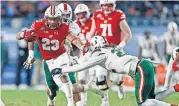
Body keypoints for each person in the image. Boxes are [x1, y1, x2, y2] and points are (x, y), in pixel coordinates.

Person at [59, 36, 179, 106]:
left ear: (95, 45)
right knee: (153, 100)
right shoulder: (110, 49)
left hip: (140, 68)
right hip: (144, 65)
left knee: (143, 103)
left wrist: (63, 69)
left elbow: (83, 66)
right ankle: (176, 87)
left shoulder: (99, 53)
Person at [16, 6, 88, 106]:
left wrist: (82, 47)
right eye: (51, 19)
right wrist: (29, 53)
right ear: (46, 18)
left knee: (63, 77)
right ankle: (51, 99)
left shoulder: (65, 26)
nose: (53, 21)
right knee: (52, 89)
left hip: (62, 56)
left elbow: (74, 39)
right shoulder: (38, 25)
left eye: (56, 18)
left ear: (60, 18)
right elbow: (29, 38)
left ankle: (71, 102)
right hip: (47, 60)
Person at [86, 0, 133, 99]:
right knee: (100, 78)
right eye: (105, 5)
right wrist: (91, 44)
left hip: (114, 49)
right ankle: (105, 101)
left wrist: (119, 47)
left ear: (114, 5)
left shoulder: (118, 15)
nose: (107, 8)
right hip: (101, 50)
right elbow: (91, 33)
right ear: (101, 6)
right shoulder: (97, 14)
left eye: (110, 5)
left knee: (116, 79)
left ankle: (120, 86)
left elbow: (128, 34)